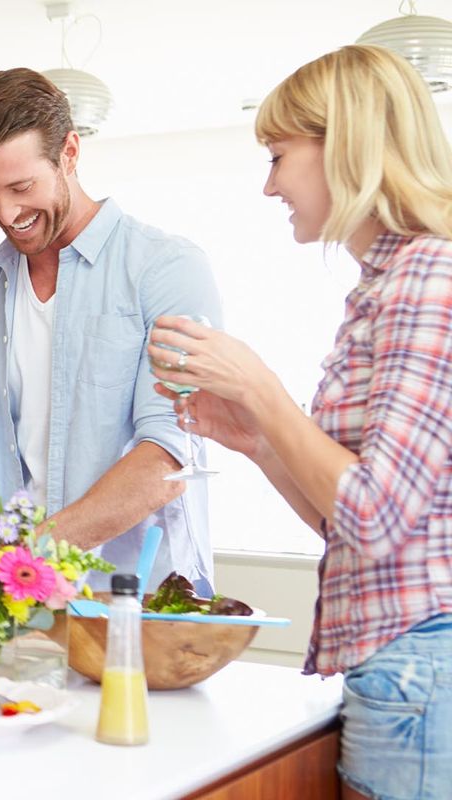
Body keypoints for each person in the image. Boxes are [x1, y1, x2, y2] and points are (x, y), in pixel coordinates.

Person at [148, 45, 452, 800]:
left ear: (344, 146)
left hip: (422, 669)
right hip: (409, 667)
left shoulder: (425, 280)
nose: (269, 184)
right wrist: (256, 439)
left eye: (280, 155)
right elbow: (354, 529)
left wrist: (263, 388)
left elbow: (375, 518)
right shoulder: (384, 288)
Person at [0, 67, 223, 592]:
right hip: (17, 603)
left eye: (21, 186)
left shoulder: (164, 270)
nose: (6, 212)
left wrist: (27, 558)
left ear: (69, 152)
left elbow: (166, 452)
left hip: (136, 600)